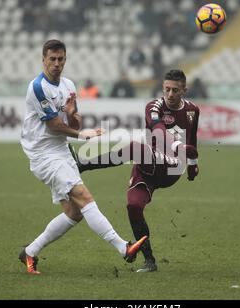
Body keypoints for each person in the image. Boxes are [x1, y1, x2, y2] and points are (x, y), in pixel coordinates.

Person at [19, 39, 147, 275]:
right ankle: (123, 248)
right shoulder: (37, 88)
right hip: (43, 154)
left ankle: (30, 252)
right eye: (52, 59)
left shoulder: (68, 85)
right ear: (43, 60)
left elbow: (72, 119)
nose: (56, 64)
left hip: (61, 151)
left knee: (74, 212)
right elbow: (54, 127)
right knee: (83, 196)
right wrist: (81, 134)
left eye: (61, 59)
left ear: (65, 59)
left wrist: (72, 114)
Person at [76, 69, 200, 273]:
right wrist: (179, 147)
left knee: (134, 147)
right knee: (134, 205)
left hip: (172, 167)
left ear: (184, 90)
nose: (170, 94)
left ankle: (82, 164)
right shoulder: (154, 106)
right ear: (163, 88)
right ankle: (149, 261)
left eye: (175, 90)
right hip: (149, 163)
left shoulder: (193, 110)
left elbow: (192, 138)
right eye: (167, 89)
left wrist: (193, 164)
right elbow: (158, 129)